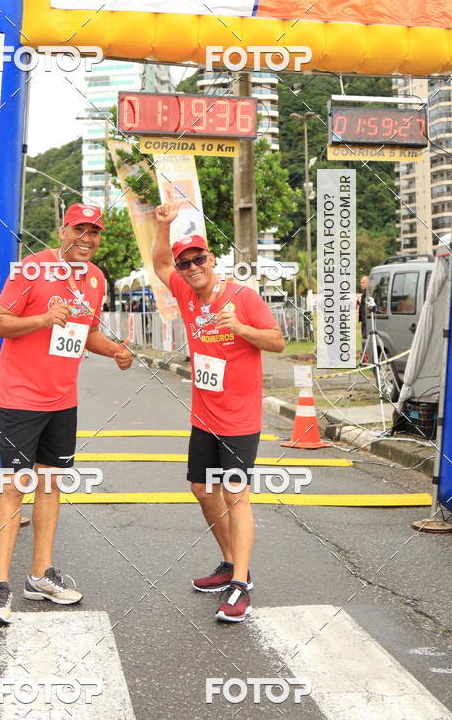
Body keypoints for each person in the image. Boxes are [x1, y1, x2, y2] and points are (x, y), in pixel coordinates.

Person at [0, 203, 134, 625]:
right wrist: (42, 319)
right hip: (20, 397)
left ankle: (40, 576)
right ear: (62, 229)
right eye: (79, 229)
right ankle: (0, 588)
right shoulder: (31, 269)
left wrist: (118, 351)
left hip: (62, 400)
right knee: (14, 487)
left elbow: (85, 335)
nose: (87, 239)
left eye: (95, 232)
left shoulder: (96, 279)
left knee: (50, 484)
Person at [153, 203, 285, 623]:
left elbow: (278, 342)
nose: (192, 267)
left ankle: (241, 585)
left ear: (212, 260)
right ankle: (230, 564)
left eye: (198, 259)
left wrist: (240, 328)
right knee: (202, 490)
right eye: (185, 262)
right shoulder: (186, 293)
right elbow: (158, 263)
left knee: (235, 495)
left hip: (240, 419)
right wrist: (162, 226)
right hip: (204, 418)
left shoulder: (243, 297)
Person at [358, 275, 368, 356]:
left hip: (366, 321)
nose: (361, 284)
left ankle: (365, 358)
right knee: (364, 339)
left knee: (365, 340)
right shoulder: (365, 293)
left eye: (362, 282)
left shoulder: (368, 293)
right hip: (364, 321)